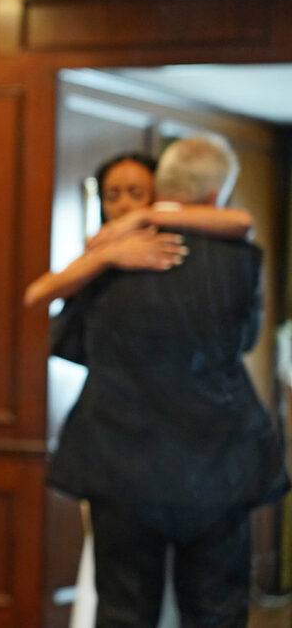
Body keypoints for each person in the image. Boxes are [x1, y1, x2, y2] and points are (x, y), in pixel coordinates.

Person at [45, 135, 290, 626]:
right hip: (218, 461)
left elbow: (66, 340)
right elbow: (242, 339)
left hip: (119, 456)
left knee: (123, 609)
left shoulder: (111, 254)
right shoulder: (239, 259)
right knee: (216, 609)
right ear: (215, 194)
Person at [23, 152, 253, 311]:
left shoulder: (174, 229)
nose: (123, 205)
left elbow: (241, 221)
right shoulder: (102, 247)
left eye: (135, 193)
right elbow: (36, 296)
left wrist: (145, 215)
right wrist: (107, 256)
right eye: (112, 196)